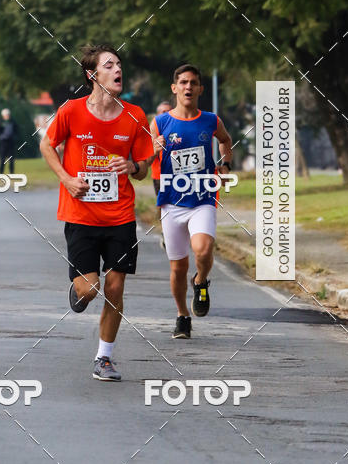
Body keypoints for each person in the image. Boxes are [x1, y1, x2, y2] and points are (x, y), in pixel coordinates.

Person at [40, 44, 154, 381]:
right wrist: (66, 179)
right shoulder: (72, 111)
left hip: (120, 216)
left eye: (119, 63)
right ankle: (80, 292)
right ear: (93, 75)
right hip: (80, 216)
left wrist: (131, 164)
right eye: (109, 65)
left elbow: (144, 167)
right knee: (91, 289)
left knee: (116, 288)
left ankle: (104, 357)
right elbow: (47, 144)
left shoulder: (135, 115)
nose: (118, 69)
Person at [150, 64, 233, 339]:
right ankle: (182, 315)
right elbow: (147, 155)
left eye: (193, 83)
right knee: (177, 267)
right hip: (172, 202)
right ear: (174, 88)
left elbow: (225, 140)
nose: (188, 87)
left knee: (203, 248)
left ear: (200, 89)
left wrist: (224, 165)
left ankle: (200, 281)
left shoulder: (210, 120)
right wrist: (154, 147)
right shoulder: (161, 122)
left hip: (203, 197)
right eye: (183, 82)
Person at [149, 100, 172, 249]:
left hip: (178, 174)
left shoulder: (177, 126)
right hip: (159, 174)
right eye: (162, 112)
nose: (165, 114)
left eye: (168, 112)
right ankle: (165, 231)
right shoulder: (153, 129)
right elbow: (146, 152)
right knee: (163, 205)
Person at [0, 108, 17, 173]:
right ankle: (1, 172)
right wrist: (2, 137)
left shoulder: (12, 122)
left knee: (11, 159)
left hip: (11, 142)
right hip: (4, 142)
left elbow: (16, 131)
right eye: (6, 115)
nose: (7, 116)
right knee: (2, 158)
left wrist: (14, 137)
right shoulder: (1, 122)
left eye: (8, 115)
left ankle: (11, 172)